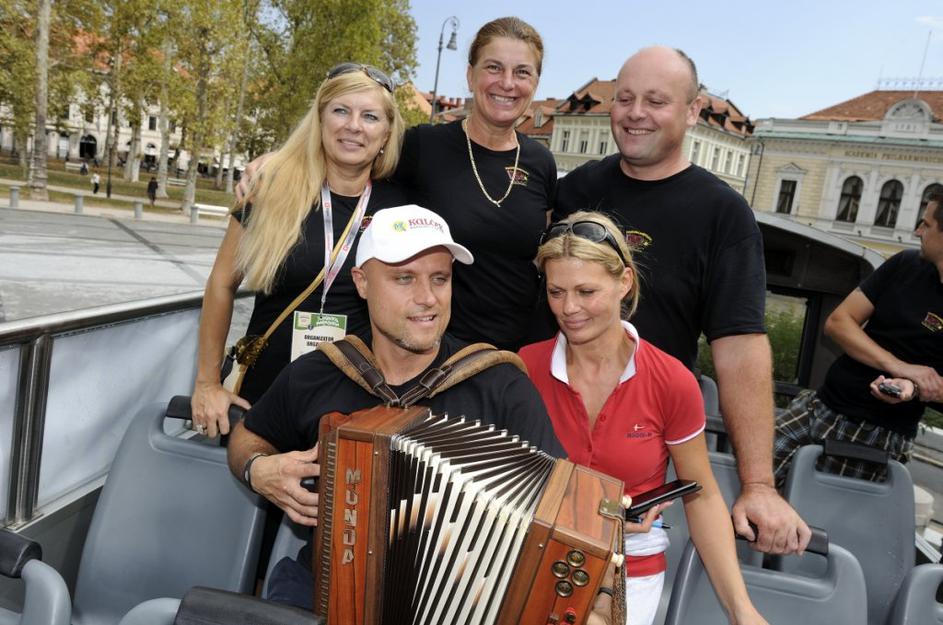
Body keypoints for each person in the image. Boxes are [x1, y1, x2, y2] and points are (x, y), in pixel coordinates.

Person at [227, 204, 564, 609]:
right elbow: (248, 435)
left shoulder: (501, 385)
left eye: (440, 278)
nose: (428, 299)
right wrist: (256, 467)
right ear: (362, 282)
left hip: (459, 605)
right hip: (326, 590)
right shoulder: (317, 373)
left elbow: (561, 511)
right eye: (404, 278)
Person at [554, 46, 809, 555]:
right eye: (624, 98)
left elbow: (739, 348)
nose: (635, 113)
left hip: (641, 446)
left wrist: (758, 485)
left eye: (656, 100)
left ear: (692, 111)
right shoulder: (576, 190)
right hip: (554, 427)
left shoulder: (723, 214)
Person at [237, 17, 557, 351]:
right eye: (494, 67)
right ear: (470, 75)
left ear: (535, 82)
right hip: (430, 353)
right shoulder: (420, 146)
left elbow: (539, 257)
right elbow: (350, 146)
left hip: (516, 352)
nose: (507, 83)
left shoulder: (540, 162)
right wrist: (276, 161)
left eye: (522, 72)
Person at [519, 211, 769, 625]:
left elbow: (701, 495)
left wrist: (741, 610)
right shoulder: (525, 368)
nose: (569, 308)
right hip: (540, 554)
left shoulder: (671, 381)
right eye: (556, 291)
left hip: (630, 567)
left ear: (625, 283)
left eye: (586, 291)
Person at [190, 64, 408, 438]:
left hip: (355, 404)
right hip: (262, 394)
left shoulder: (402, 209)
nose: (353, 125)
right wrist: (207, 383)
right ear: (320, 119)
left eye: (370, 116)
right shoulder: (271, 189)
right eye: (340, 110)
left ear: (387, 132)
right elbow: (222, 284)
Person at [774, 196, 943, 486]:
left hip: (874, 435)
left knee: (807, 515)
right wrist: (900, 367)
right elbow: (839, 323)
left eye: (926, 224)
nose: (917, 231)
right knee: (750, 475)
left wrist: (914, 388)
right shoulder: (905, 265)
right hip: (821, 403)